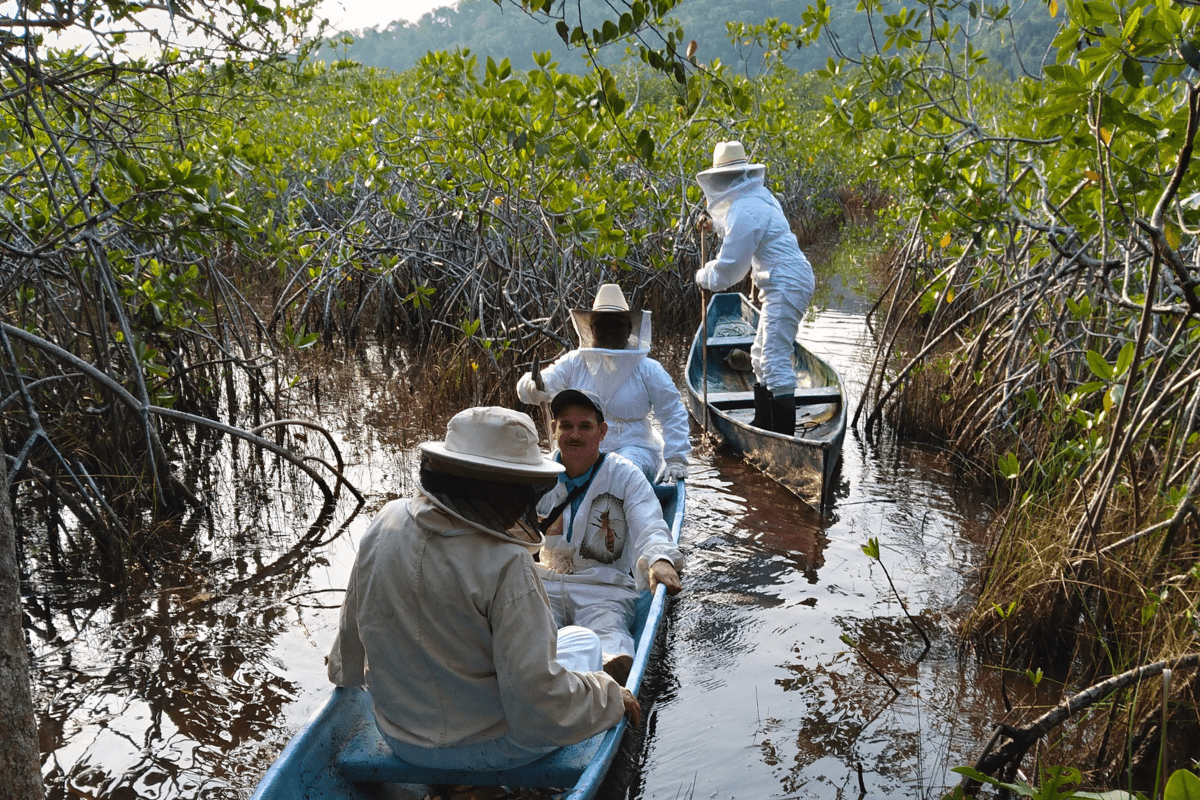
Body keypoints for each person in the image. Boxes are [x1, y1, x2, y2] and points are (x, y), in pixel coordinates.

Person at [326, 406, 640, 771]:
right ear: (496, 488)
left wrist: (343, 674)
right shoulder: (508, 562)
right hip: (493, 750)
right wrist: (608, 697)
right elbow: (537, 700)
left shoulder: (386, 520)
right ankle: (479, 783)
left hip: (397, 737)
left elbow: (350, 640)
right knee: (585, 642)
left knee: (577, 640)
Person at [536, 389, 685, 685]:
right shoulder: (535, 474)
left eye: (585, 426)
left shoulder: (625, 475)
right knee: (531, 638)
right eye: (566, 425)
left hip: (603, 589)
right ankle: (543, 686)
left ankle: (607, 690)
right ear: (554, 430)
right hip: (544, 586)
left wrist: (659, 559)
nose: (574, 434)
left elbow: (648, 520)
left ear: (602, 431)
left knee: (609, 640)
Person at [695, 140, 817, 435]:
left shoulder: (746, 209)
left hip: (786, 283)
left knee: (773, 357)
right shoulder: (758, 197)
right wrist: (713, 226)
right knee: (761, 354)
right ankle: (764, 423)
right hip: (787, 281)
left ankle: (784, 436)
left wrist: (703, 276)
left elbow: (730, 270)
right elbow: (739, 229)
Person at [516, 283, 690, 483]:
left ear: (629, 329)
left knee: (621, 472)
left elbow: (672, 412)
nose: (609, 330)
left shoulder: (648, 368)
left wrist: (676, 458)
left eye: (616, 324)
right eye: (602, 324)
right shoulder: (574, 362)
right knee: (545, 480)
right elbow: (535, 385)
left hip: (635, 448)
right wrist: (535, 386)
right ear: (591, 329)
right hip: (580, 447)